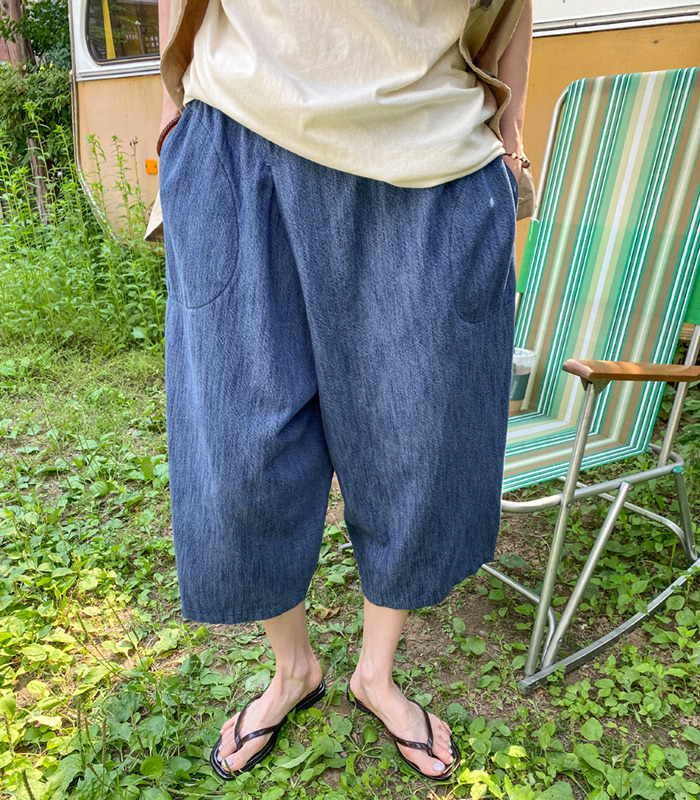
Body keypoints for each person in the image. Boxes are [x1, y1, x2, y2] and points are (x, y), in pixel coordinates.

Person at [148, 0, 534, 783]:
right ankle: (293, 669)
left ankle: (375, 675)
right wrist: (171, 110)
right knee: (240, 454)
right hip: (237, 138)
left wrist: (511, 132)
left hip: (429, 154)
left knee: (416, 446)